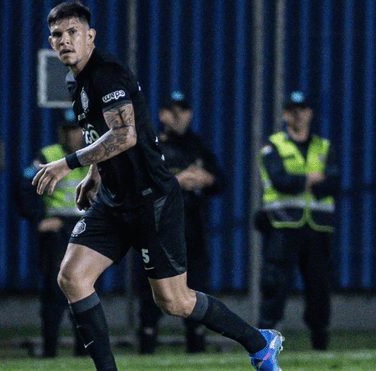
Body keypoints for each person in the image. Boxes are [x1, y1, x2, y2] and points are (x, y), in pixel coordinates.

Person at [33, 3, 283, 370]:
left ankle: (259, 342)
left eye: (73, 32)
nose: (65, 40)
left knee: (174, 301)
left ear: (90, 36)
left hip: (152, 200)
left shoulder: (108, 73)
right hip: (113, 201)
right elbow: (99, 134)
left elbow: (125, 134)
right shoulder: (76, 79)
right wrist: (95, 176)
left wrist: (68, 163)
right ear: (51, 42)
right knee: (72, 276)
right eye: (58, 35)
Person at [137, 91, 225, 354]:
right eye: (172, 110)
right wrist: (177, 181)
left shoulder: (198, 145)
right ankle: (147, 343)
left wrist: (206, 180)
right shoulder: (152, 144)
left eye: (183, 110)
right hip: (158, 228)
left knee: (196, 285)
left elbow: (221, 182)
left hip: (193, 229)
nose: (178, 116)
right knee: (154, 286)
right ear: (162, 114)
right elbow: (139, 184)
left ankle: (196, 342)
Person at [257, 91, 339, 351]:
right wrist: (309, 180)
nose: (298, 114)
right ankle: (263, 346)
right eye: (292, 109)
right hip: (283, 227)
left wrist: (301, 182)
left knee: (320, 289)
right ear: (284, 114)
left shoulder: (323, 146)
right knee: (275, 287)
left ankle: (320, 345)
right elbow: (280, 181)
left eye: (302, 108)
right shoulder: (273, 146)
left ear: (310, 113)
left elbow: (334, 183)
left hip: (317, 228)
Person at [15, 111, 88, 358]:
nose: (71, 134)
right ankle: (50, 352)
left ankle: (83, 352)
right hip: (56, 235)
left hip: (85, 234)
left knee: (84, 294)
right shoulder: (49, 155)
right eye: (66, 129)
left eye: (75, 128)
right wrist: (38, 220)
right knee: (54, 294)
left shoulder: (95, 155)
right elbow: (24, 187)